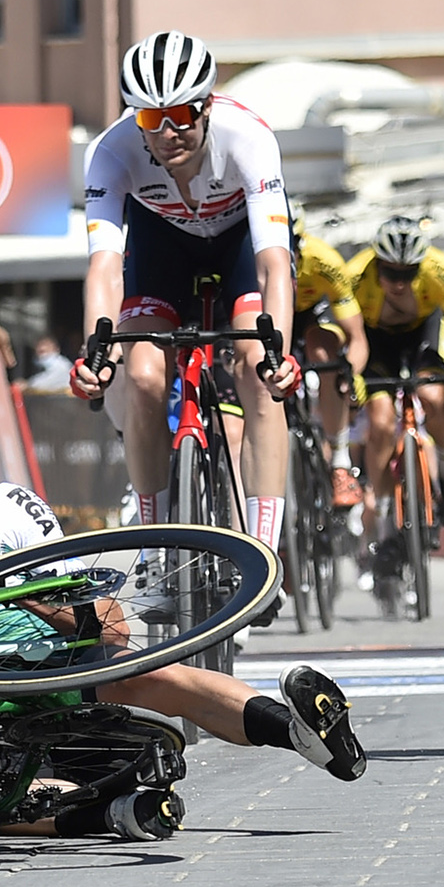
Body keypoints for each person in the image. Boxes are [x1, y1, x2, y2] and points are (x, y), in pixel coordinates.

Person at [0, 374, 366, 837]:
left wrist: (11, 581)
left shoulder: (7, 510)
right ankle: (121, 813)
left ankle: (299, 731)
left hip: (69, 695)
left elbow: (110, 630)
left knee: (149, 675)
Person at [70, 30, 301, 562]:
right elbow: (105, 266)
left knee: (255, 370)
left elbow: (272, 265)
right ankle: (154, 544)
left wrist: (278, 354)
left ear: (207, 106)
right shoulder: (111, 150)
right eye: (151, 119)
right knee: (145, 376)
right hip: (161, 247)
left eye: (181, 113)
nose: (169, 130)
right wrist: (95, 356)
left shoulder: (248, 138)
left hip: (238, 244)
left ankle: (263, 555)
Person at [344, 217, 444, 573]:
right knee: (380, 422)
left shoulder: (438, 270)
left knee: (435, 397)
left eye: (408, 275)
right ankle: (387, 509)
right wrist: (353, 375)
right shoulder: (356, 275)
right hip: (374, 342)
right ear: (377, 265)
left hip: (423, 334)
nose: (399, 283)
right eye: (390, 274)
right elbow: (348, 334)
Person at [291, 223, 370, 506]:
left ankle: (339, 461)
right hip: (271, 314)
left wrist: (351, 373)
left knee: (325, 355)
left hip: (312, 315)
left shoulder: (324, 260)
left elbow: (357, 337)